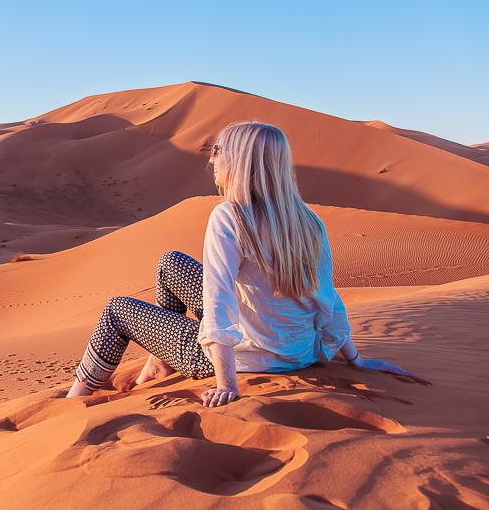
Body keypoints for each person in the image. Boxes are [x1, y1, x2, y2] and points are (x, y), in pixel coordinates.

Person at [65, 120, 419, 406]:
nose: (212, 159)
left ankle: (74, 401)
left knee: (116, 311)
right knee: (171, 263)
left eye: (219, 151)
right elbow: (326, 297)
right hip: (299, 350)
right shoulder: (307, 220)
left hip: (246, 357)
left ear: (240, 162)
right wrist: (355, 358)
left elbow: (218, 302)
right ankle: (160, 362)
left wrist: (226, 384)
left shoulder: (230, 216)